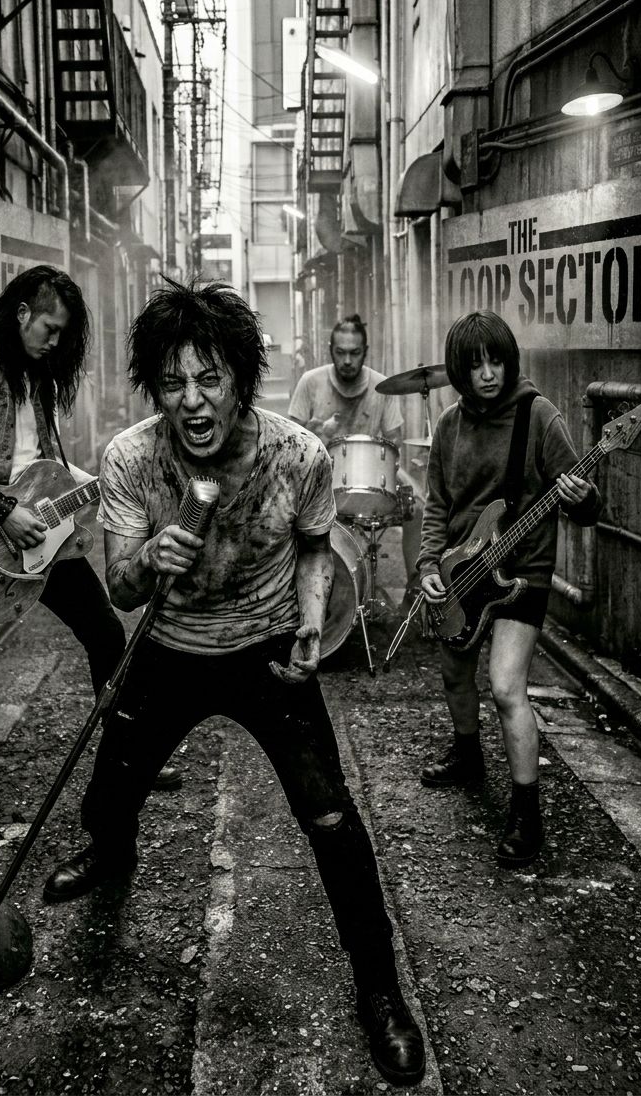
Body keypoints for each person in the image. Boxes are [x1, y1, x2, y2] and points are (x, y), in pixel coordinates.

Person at [42, 279, 426, 1088]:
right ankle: (110, 851)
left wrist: (312, 622)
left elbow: (316, 546)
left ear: (241, 379)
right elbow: (120, 588)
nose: (192, 401)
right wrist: (149, 559)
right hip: (168, 650)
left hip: (266, 652)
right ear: (154, 389)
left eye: (209, 379)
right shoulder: (131, 458)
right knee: (110, 793)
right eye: (172, 383)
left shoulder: (300, 455)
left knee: (332, 818)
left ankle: (381, 990)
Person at [0, 265, 177, 850]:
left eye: (63, 334)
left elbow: (44, 465)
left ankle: (130, 763)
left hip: (43, 536)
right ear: (22, 312)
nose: (55, 342)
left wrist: (107, 481)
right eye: (51, 328)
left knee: (106, 635)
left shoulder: (38, 376)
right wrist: (2, 510)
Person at [417, 310, 600, 866]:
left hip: (525, 574)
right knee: (454, 671)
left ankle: (526, 814)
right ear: (459, 370)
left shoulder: (538, 415)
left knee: (504, 686)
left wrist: (583, 499)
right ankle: (468, 755)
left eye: (496, 362)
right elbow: (437, 506)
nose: (488, 374)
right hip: (463, 569)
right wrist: (429, 565)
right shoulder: (448, 426)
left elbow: (585, 503)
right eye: (476, 365)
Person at [288, 314, 423, 614]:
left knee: (419, 506)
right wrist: (316, 430)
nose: (347, 360)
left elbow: (394, 440)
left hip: (371, 473)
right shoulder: (310, 382)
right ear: (330, 350)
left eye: (355, 352)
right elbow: (291, 441)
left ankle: (414, 593)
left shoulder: (382, 386)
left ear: (365, 351)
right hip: (321, 474)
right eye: (340, 352)